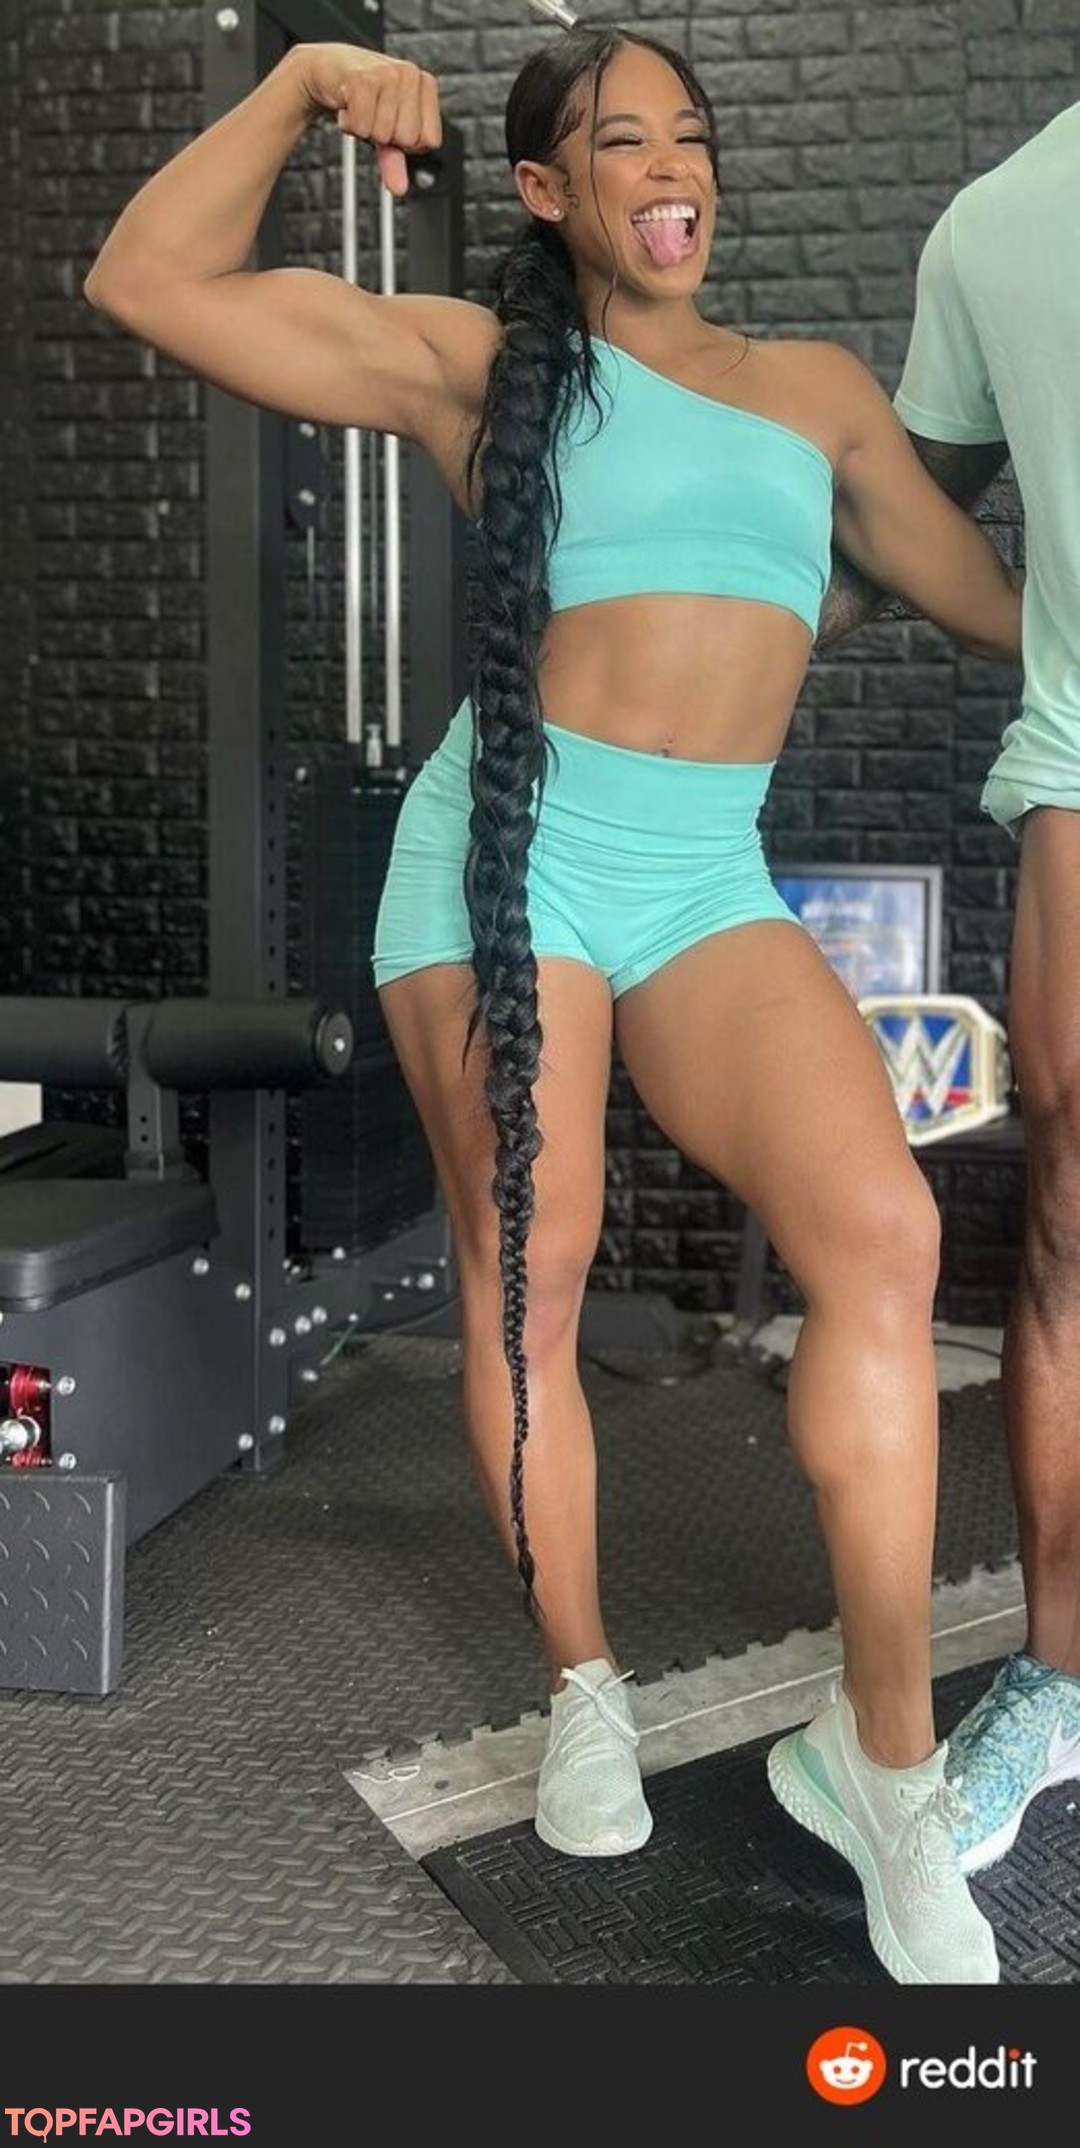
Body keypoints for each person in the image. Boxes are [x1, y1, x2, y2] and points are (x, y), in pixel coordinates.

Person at [83, 23, 1022, 1984]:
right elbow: (146, 281)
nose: (673, 170)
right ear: (543, 190)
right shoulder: (482, 364)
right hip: (507, 854)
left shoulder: (819, 394)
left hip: (700, 875)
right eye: (623, 142)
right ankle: (583, 1684)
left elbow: (1011, 611)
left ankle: (886, 1766)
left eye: (692, 137)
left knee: (882, 1232)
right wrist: (303, 82)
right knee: (541, 1258)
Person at [820, 98, 1080, 1882]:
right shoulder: (995, 224)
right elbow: (909, 518)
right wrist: (684, 620)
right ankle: (1062, 1678)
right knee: (1067, 1235)